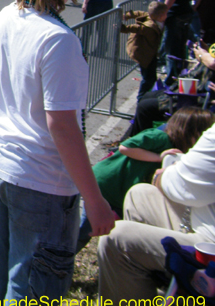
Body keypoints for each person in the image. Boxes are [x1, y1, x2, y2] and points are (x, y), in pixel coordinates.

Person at [0, 0, 115, 306]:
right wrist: (94, 201)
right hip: (41, 180)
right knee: (31, 295)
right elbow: (63, 127)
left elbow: (0, 90)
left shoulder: (5, 17)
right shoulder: (59, 39)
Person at [97, 121, 215, 306]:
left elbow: (178, 184)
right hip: (204, 228)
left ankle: (190, 297)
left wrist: (162, 175)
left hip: (210, 250)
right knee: (140, 194)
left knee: (116, 239)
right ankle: (160, 295)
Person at [76, 106, 214, 253]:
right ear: (191, 131)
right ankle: (65, 254)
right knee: (87, 228)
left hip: (121, 192)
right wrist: (159, 157)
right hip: (108, 183)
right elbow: (125, 147)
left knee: (114, 226)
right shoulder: (160, 138)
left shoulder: (180, 152)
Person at [121, 2, 168, 101]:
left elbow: (138, 13)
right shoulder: (149, 27)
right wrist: (123, 28)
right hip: (144, 55)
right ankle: (141, 98)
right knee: (148, 79)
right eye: (166, 14)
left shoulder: (152, 18)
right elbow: (136, 28)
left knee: (151, 77)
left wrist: (127, 15)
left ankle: (148, 95)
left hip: (151, 53)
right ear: (161, 16)